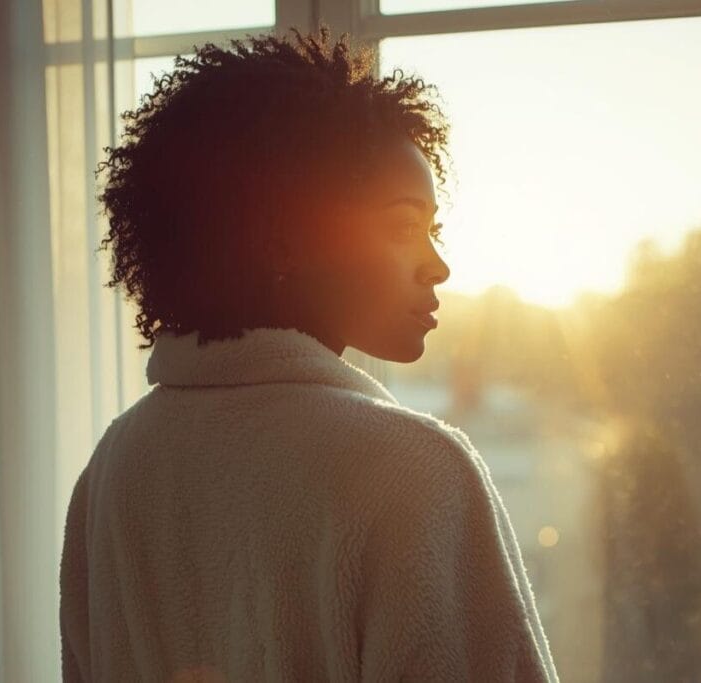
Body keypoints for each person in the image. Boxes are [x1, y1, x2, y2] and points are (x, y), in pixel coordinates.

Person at [59, 25, 560, 682]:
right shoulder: (414, 471)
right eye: (403, 225)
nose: (436, 265)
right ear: (282, 238)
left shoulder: (116, 465)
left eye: (432, 230)